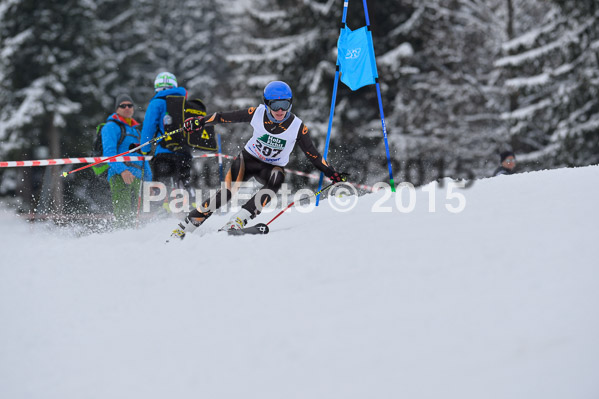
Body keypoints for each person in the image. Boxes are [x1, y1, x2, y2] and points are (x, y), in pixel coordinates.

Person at [168, 80, 346, 240]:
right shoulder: (257, 113)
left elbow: (313, 155)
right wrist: (200, 122)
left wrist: (332, 174)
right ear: (267, 103)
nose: (280, 111)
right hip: (247, 161)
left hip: (271, 168)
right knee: (226, 193)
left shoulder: (297, 127)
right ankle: (186, 227)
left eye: (285, 105)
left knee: (278, 178)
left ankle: (237, 220)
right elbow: (223, 117)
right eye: (275, 105)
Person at [140, 71, 195, 207]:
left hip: (164, 152)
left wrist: (145, 150)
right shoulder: (185, 102)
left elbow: (148, 128)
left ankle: (165, 216)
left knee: (163, 186)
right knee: (184, 182)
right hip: (184, 151)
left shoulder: (157, 103)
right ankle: (193, 212)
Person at [102, 94, 152, 227]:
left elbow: (142, 157)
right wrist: (123, 171)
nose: (127, 108)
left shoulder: (135, 130)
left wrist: (149, 180)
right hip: (120, 176)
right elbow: (109, 154)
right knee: (123, 216)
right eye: (122, 106)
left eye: (130, 105)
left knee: (136, 217)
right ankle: (121, 242)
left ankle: (133, 244)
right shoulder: (111, 127)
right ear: (116, 109)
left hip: (137, 178)